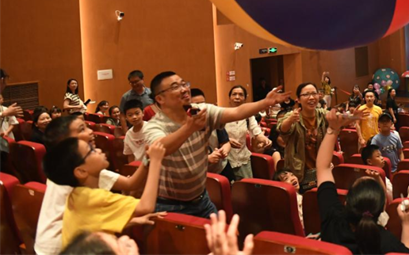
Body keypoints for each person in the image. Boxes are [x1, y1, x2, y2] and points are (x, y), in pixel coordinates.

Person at [143, 71, 288, 217]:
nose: (184, 89)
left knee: (223, 230)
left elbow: (237, 112)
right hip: (169, 204)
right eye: (175, 87)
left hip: (201, 199)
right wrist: (189, 128)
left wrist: (265, 102)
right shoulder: (154, 125)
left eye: (184, 84)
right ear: (160, 98)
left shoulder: (201, 111)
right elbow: (161, 149)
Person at [36, 115, 155, 255]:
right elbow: (144, 204)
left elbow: (88, 219)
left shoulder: (71, 171)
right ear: (66, 144)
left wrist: (147, 159)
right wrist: (156, 160)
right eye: (81, 129)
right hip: (60, 248)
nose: (90, 131)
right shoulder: (82, 179)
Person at [316, 109, 409, 254]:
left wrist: (333, 129)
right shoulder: (386, 241)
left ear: (346, 203)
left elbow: (323, 168)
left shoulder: (333, 221)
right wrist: (406, 223)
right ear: (382, 212)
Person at [43, 137, 165, 248]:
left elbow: (93, 223)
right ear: (81, 172)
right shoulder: (95, 197)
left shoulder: (75, 194)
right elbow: (146, 206)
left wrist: (133, 221)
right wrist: (156, 161)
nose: (99, 150)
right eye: (91, 151)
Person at [223, 85, 272, 181]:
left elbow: (257, 133)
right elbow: (215, 136)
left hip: (243, 159)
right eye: (234, 94)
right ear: (229, 98)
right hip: (226, 160)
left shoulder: (248, 116)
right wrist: (227, 140)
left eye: (241, 95)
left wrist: (266, 140)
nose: (237, 97)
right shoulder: (223, 115)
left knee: (247, 187)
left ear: (245, 99)